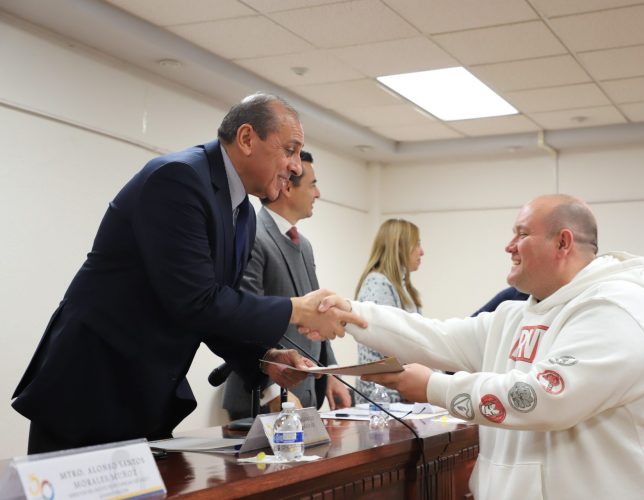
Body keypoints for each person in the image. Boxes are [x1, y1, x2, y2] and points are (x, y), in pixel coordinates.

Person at [11, 92, 364, 454]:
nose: (297, 167)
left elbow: (214, 311)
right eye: (290, 150)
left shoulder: (241, 211)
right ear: (246, 138)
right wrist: (295, 309)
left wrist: (264, 358)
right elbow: (196, 301)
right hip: (92, 388)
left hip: (143, 392)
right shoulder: (178, 179)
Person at [316, 194, 644, 500]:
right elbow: (436, 336)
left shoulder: (619, 309)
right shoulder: (517, 315)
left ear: (563, 242)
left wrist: (433, 387)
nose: (509, 246)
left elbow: (547, 397)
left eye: (522, 234)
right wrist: (349, 312)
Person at [223, 150, 351, 418]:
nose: (318, 194)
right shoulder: (253, 236)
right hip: (262, 400)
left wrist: (332, 373)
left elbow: (318, 313)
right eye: (313, 185)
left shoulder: (304, 245)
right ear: (289, 188)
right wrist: (271, 390)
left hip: (302, 397)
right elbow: (245, 320)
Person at [353, 218, 424, 404]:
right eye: (417, 244)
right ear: (400, 246)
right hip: (383, 399)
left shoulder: (403, 287)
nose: (421, 252)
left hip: (399, 396)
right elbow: (390, 344)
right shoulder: (378, 284)